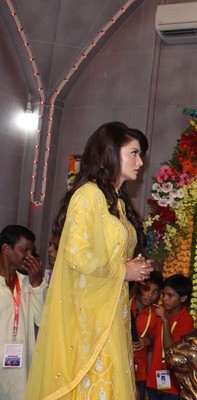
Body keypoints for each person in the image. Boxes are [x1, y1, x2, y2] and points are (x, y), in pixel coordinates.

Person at [25, 122, 154, 399]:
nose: (140, 161)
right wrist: (123, 270)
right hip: (89, 319)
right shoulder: (88, 195)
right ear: (110, 153)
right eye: (133, 153)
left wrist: (136, 268)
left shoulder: (116, 203)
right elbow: (76, 255)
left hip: (111, 313)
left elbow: (110, 255)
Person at [0, 225, 46, 400]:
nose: (29, 256)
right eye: (24, 250)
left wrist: (37, 283)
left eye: (31, 251)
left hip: (22, 369)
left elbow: (42, 319)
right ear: (6, 248)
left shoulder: (28, 283)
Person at [146, 274, 194, 400]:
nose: (164, 299)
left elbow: (171, 351)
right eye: (163, 294)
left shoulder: (187, 320)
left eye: (170, 295)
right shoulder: (159, 310)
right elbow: (150, 338)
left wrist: (166, 322)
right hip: (153, 380)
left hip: (173, 384)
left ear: (183, 298)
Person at [131, 270, 164, 400]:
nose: (150, 295)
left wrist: (147, 341)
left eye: (155, 292)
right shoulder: (122, 304)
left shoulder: (157, 313)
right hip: (119, 364)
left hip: (140, 370)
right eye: (146, 289)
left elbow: (155, 339)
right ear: (138, 286)